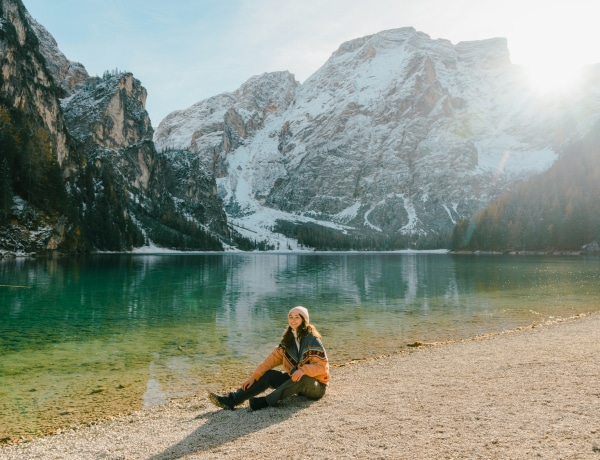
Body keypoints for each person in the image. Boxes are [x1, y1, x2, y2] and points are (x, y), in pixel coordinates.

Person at [209, 306, 330, 411]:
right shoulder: (288, 341)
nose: (293, 320)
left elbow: (321, 367)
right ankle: (232, 400)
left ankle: (266, 401)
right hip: (295, 384)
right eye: (290, 317)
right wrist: (253, 377)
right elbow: (269, 361)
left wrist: (303, 370)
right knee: (269, 375)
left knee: (302, 378)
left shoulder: (313, 340)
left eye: (297, 317)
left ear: (304, 320)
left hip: (316, 387)